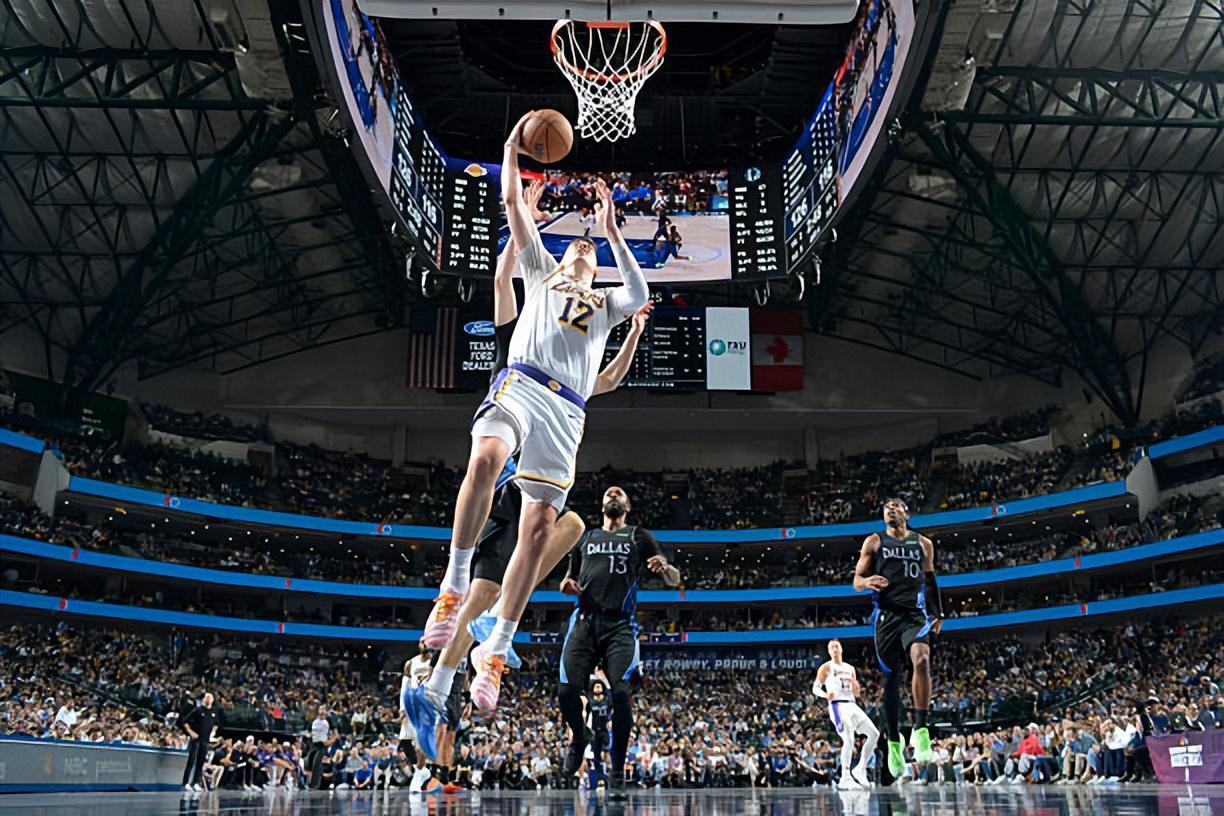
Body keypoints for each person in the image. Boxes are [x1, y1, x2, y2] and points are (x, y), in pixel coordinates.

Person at [419, 110, 649, 713]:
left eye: (590, 246)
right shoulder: (542, 270)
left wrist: (611, 231)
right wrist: (510, 149)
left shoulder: (605, 304)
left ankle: (496, 647)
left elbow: (641, 294)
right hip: (522, 383)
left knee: (543, 527)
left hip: (566, 411)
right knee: (486, 456)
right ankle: (453, 586)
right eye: (579, 240)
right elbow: (512, 208)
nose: (582, 245)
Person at [557, 485, 680, 798]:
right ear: (602, 505)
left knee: (622, 695)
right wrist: (567, 586)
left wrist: (665, 568)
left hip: (620, 625)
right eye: (609, 493)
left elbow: (675, 579)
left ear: (628, 506)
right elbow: (567, 579)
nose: (613, 494)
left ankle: (617, 770)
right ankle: (579, 737)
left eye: (619, 493)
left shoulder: (639, 536)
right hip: (584, 621)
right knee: (567, 691)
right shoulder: (585, 538)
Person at [853, 498, 943, 780]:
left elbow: (930, 579)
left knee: (922, 659)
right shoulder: (874, 542)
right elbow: (856, 580)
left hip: (914, 615)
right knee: (891, 679)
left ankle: (921, 728)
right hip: (886, 617)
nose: (890, 509)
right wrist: (866, 582)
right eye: (886, 507)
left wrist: (937, 611)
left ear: (907, 513)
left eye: (895, 505)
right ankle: (894, 740)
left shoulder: (923, 543)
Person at [814, 638, 879, 788]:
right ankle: (845, 777)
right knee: (849, 737)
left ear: (841, 649)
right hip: (837, 706)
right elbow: (815, 688)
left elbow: (856, 692)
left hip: (852, 704)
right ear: (829, 651)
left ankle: (860, 769)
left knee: (874, 734)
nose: (834, 649)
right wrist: (825, 695)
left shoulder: (850, 668)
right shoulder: (826, 667)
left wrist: (857, 688)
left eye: (836, 646)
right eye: (831, 648)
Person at [181, 691, 218, 791]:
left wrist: (213, 731)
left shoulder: (214, 712)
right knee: (191, 761)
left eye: (210, 697)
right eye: (206, 697)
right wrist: (191, 732)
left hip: (205, 740)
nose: (208, 699)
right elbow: (185, 722)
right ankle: (185, 782)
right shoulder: (198, 710)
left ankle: (196, 782)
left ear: (212, 700)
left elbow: (215, 724)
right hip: (196, 739)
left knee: (200, 762)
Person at [308, 704, 330, 789]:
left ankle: (314, 785)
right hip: (314, 744)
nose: (322, 712)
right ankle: (317, 782)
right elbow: (309, 731)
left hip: (322, 744)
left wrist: (329, 741)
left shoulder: (328, 721)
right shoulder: (313, 721)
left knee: (316, 763)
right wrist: (309, 735)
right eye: (321, 710)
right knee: (310, 761)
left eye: (324, 710)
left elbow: (334, 734)